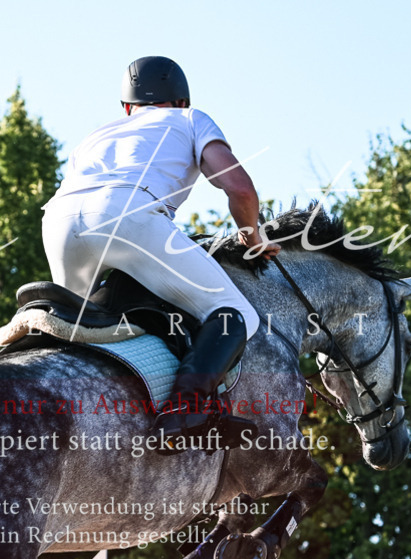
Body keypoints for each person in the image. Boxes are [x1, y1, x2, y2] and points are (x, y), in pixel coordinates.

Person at [41, 56, 279, 447]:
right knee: (236, 314)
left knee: (70, 329)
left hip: (58, 222)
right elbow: (239, 188)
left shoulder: (97, 135)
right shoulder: (191, 120)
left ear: (127, 108)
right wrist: (254, 238)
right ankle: (185, 412)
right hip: (130, 215)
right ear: (181, 100)